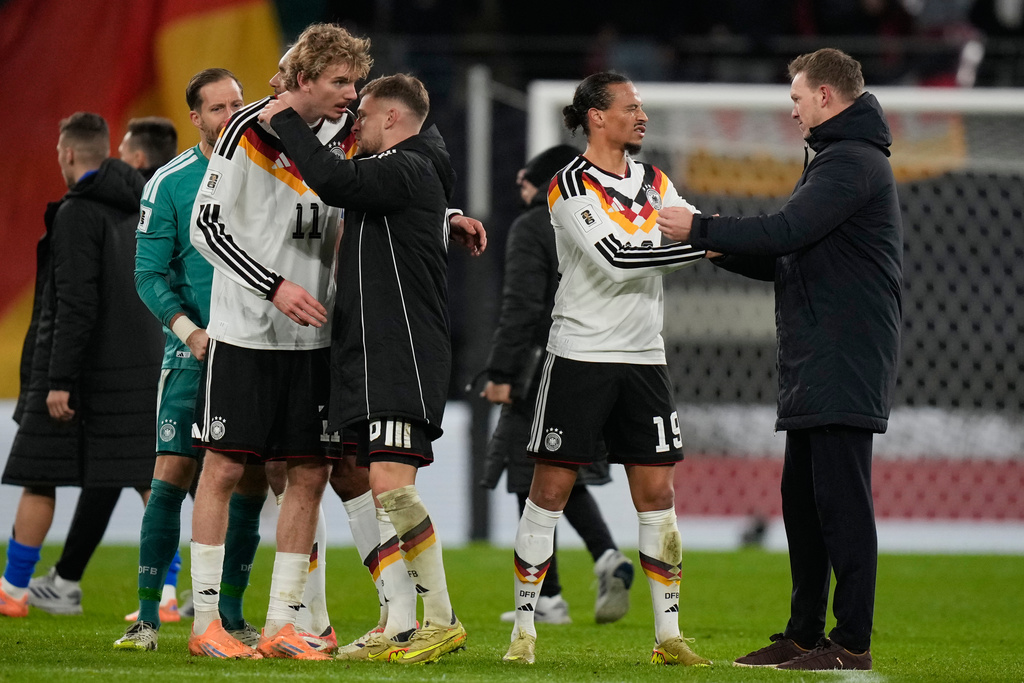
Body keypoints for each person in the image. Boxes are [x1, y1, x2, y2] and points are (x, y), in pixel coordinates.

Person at [656, 48, 902, 671]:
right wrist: (715, 250)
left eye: (796, 98)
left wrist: (702, 227)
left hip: (843, 356)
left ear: (825, 95)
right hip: (816, 357)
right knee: (804, 501)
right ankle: (801, 635)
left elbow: (786, 232)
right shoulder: (837, 160)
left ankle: (851, 643)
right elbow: (786, 255)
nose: (790, 110)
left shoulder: (851, 163)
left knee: (841, 504)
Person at [258, 71, 471, 665]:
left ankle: (441, 619)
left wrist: (283, 120)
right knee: (380, 487)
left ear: (392, 120)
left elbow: (330, 179)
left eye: (363, 118)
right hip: (375, 352)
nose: (354, 128)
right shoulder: (410, 172)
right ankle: (401, 621)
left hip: (401, 352)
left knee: (389, 487)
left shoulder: (406, 165)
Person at [500, 72, 711, 667]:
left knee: (657, 494)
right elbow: (617, 261)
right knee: (549, 491)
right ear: (596, 116)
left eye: (643, 107)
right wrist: (695, 245)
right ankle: (525, 629)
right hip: (580, 355)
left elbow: (701, 230)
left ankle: (668, 637)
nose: (642, 116)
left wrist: (706, 239)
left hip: (645, 358)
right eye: (631, 107)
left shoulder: (657, 180)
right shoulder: (568, 186)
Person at [185, 23, 376, 661]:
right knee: (222, 468)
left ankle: (281, 626)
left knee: (310, 473)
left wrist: (447, 219)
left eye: (354, 81)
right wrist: (273, 287)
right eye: (339, 82)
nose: (352, 93)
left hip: (314, 341)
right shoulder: (244, 129)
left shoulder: (348, 136)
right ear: (302, 80)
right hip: (243, 331)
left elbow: (384, 194)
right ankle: (206, 623)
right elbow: (205, 228)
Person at [113, 68, 272, 653]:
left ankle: (230, 615)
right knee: (170, 477)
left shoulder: (269, 168)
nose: (231, 114)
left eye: (237, 103)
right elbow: (149, 273)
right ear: (196, 118)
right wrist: (190, 331)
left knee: (250, 480)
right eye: (218, 108)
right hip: (192, 354)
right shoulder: (170, 182)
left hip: (257, 350)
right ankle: (149, 618)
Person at [0, 113, 163, 618]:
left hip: (81, 375)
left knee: (38, 474)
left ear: (68, 154)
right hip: (140, 369)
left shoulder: (76, 213)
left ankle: (13, 590)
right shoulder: (142, 208)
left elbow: (73, 303)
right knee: (151, 482)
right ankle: (170, 595)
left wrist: (59, 379)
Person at [481, 143, 634, 626]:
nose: (521, 191)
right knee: (562, 472)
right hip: (599, 361)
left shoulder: (534, 227)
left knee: (529, 476)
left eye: (526, 181)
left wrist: (502, 371)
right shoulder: (603, 219)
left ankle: (550, 596)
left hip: (541, 368)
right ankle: (601, 560)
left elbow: (522, 306)